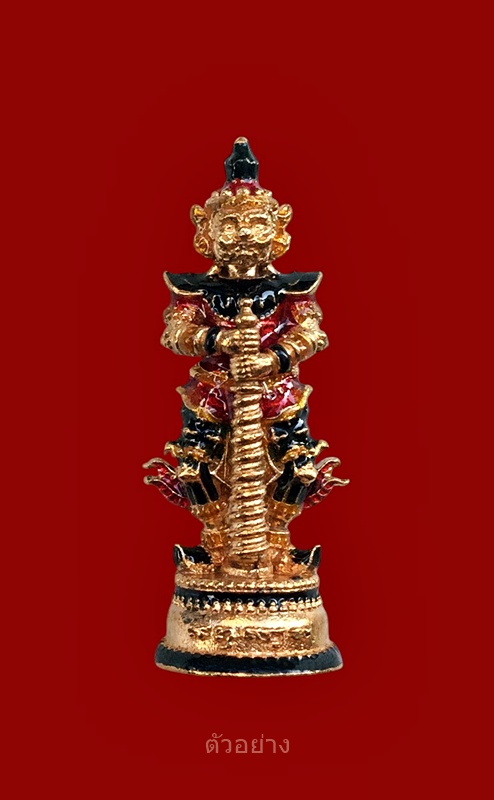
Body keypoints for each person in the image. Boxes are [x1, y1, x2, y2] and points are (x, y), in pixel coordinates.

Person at [144, 138, 347, 572]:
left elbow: (312, 333)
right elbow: (175, 333)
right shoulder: (194, 290)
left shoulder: (292, 289)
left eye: (255, 222)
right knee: (194, 467)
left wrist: (275, 359)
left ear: (277, 228)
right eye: (230, 223)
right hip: (213, 393)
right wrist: (216, 342)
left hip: (277, 392)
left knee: (298, 467)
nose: (242, 234)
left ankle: (277, 543)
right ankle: (215, 543)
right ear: (206, 229)